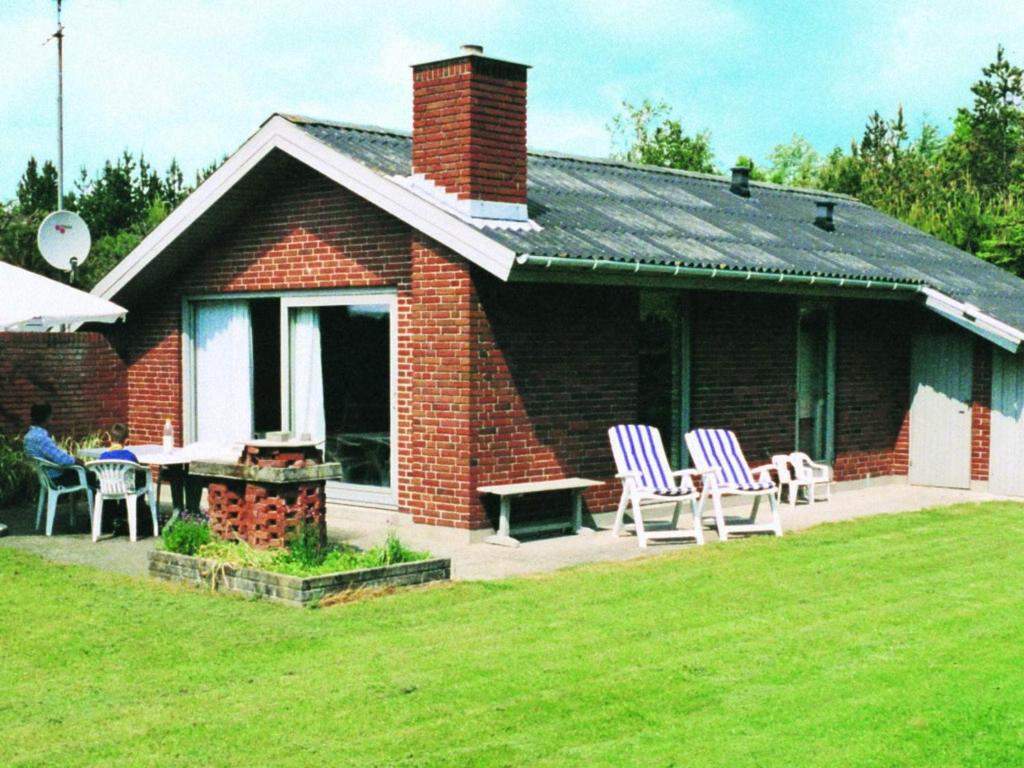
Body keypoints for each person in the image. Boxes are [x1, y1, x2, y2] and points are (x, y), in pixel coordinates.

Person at [24, 403, 84, 485]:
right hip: (55, 479)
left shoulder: (28, 436)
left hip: (45, 477)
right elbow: (62, 460)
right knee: (91, 475)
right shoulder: (41, 438)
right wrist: (77, 461)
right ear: (47, 418)